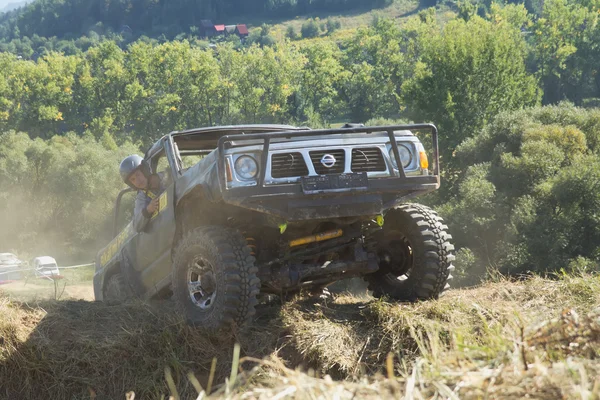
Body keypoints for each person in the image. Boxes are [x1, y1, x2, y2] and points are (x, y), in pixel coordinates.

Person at [119, 155, 165, 233]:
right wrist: (148, 210)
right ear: (131, 184)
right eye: (133, 179)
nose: (138, 181)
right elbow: (136, 225)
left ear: (145, 171)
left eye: (138, 175)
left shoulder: (164, 176)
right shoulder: (141, 197)